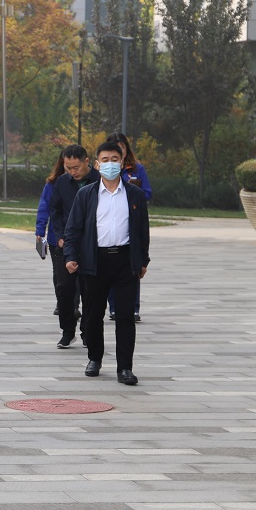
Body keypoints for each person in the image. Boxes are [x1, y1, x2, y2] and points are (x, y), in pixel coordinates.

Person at [64, 141, 150, 386]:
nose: (110, 164)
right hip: (95, 261)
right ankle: (95, 358)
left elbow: (142, 231)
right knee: (93, 314)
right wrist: (71, 256)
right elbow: (73, 229)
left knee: (125, 316)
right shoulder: (86, 195)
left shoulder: (134, 195)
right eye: (105, 160)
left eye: (115, 159)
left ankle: (125, 367)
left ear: (122, 163)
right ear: (97, 164)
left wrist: (143, 260)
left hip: (125, 261)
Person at [48, 144, 100, 349]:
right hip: (67, 244)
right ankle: (67, 331)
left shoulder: (100, 180)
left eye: (76, 167)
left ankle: (88, 331)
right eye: (68, 168)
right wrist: (59, 236)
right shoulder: (62, 182)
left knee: (90, 291)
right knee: (64, 289)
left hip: (92, 245)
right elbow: (55, 211)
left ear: (87, 161)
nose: (72, 172)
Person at [105, 132, 151, 322]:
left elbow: (147, 193)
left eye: (121, 148)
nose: (119, 152)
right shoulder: (102, 170)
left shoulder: (137, 168)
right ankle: (114, 308)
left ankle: (133, 308)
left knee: (132, 269)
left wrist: (133, 189)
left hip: (131, 219)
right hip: (108, 225)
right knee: (108, 270)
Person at [35, 151, 66, 314]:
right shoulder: (52, 184)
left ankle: (73, 303)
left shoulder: (87, 183)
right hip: (56, 236)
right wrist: (40, 230)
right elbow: (44, 207)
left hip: (79, 237)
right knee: (59, 272)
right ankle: (61, 302)